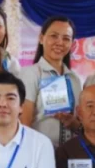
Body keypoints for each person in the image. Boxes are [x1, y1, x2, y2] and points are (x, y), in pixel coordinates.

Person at [18, 16, 83, 147]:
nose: (59, 42)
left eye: (66, 38)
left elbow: (80, 125)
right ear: (41, 39)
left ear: (72, 44)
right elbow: (24, 122)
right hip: (41, 152)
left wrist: (75, 124)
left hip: (72, 155)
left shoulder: (75, 79)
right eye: (54, 36)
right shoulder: (30, 74)